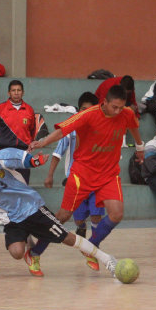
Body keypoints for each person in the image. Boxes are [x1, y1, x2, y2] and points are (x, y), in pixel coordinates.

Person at [0, 144, 117, 278]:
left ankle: (107, 259)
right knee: (16, 253)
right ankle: (30, 247)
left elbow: (19, 158)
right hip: (12, 218)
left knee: (68, 239)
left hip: (32, 207)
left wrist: (34, 161)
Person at [29, 85, 145, 272]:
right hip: (82, 173)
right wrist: (42, 142)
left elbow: (133, 127)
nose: (117, 111)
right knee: (63, 216)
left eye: (120, 107)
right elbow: (62, 131)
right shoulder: (88, 114)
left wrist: (140, 147)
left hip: (108, 173)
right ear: (104, 102)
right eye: (114, 107)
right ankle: (35, 253)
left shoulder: (126, 113)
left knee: (116, 213)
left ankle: (91, 247)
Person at [44, 92, 104, 245]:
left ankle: (94, 244)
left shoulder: (101, 130)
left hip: (96, 179)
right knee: (77, 217)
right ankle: (81, 227)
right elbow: (58, 153)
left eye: (90, 110)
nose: (86, 113)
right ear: (78, 111)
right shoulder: (70, 129)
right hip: (75, 180)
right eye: (83, 109)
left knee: (97, 215)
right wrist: (50, 175)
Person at [0, 79, 35, 184]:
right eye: (13, 90)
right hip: (4, 151)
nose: (16, 93)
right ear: (8, 93)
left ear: (23, 92)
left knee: (23, 184)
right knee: (3, 185)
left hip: (23, 152)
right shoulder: (0, 108)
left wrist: (28, 144)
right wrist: (0, 142)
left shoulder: (29, 110)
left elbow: (32, 130)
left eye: (19, 90)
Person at [95, 75, 140, 147]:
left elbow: (133, 102)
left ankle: (123, 138)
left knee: (131, 109)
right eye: (125, 92)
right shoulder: (107, 86)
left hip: (120, 102)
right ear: (119, 86)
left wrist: (135, 115)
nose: (127, 94)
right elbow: (102, 105)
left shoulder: (130, 89)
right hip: (102, 102)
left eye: (128, 93)